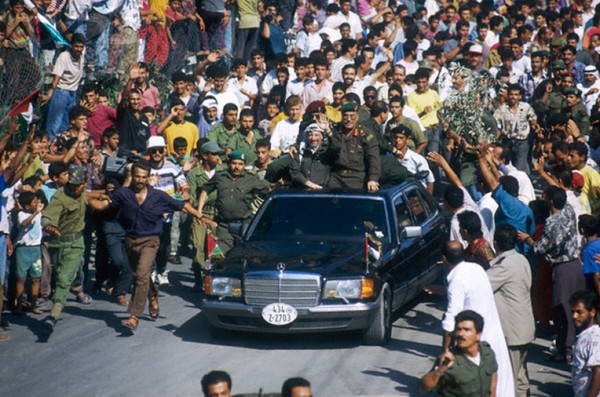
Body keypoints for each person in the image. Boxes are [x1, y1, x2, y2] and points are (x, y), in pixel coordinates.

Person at [88, 160, 209, 331]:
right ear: (132, 176)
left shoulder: (158, 196)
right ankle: (153, 297)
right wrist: (83, 196)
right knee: (141, 275)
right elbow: (102, 205)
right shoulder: (123, 194)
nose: (139, 180)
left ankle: (134, 315)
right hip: (130, 241)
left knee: (141, 275)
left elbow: (182, 205)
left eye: (143, 177)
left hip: (151, 241)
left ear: (148, 177)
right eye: (137, 176)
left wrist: (200, 216)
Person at [518, 186, 586, 362]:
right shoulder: (569, 210)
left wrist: (527, 238)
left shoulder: (552, 222)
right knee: (572, 308)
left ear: (550, 201)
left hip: (562, 268)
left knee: (562, 310)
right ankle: (570, 345)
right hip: (575, 265)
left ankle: (566, 349)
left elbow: (540, 248)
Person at [440, 241, 515, 397]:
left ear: (444, 259)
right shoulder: (477, 269)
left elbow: (449, 322)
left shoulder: (457, 281)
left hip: (477, 341)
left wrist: (446, 352)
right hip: (493, 335)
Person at [42, 165, 94, 335]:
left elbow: (90, 197)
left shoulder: (83, 193)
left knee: (64, 279)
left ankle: (53, 315)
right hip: (57, 244)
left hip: (76, 243)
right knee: (59, 275)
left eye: (78, 184)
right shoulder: (60, 197)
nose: (74, 187)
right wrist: (49, 226)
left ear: (84, 183)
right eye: (71, 184)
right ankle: (68, 292)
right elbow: (48, 217)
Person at [487, 224, 536, 397]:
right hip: (524, 327)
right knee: (521, 376)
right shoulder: (521, 259)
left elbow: (482, 284)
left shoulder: (503, 266)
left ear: (495, 243)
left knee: (512, 378)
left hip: (513, 332)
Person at [198, 150, 271, 254]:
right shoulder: (220, 176)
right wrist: (199, 210)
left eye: (240, 164)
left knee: (243, 255)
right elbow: (205, 190)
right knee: (219, 255)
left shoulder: (251, 178)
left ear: (245, 165)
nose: (237, 167)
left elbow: (268, 189)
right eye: (234, 163)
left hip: (244, 225)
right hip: (224, 226)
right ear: (229, 163)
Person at [420, 310, 498, 397]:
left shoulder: (487, 353)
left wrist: (493, 393)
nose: (461, 334)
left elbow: (493, 374)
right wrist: (440, 370)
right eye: (458, 329)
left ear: (478, 335)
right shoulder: (448, 360)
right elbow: (424, 387)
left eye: (466, 330)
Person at [328, 102, 380, 191]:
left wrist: (373, 179)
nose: (348, 119)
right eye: (345, 116)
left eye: (352, 116)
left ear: (357, 116)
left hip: (356, 177)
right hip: (336, 176)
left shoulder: (365, 134)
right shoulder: (335, 131)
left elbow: (373, 158)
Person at [570, 290, 600, 397]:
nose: (574, 316)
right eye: (573, 312)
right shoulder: (584, 334)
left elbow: (598, 372)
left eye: (579, 312)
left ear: (592, 312)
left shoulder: (595, 337)